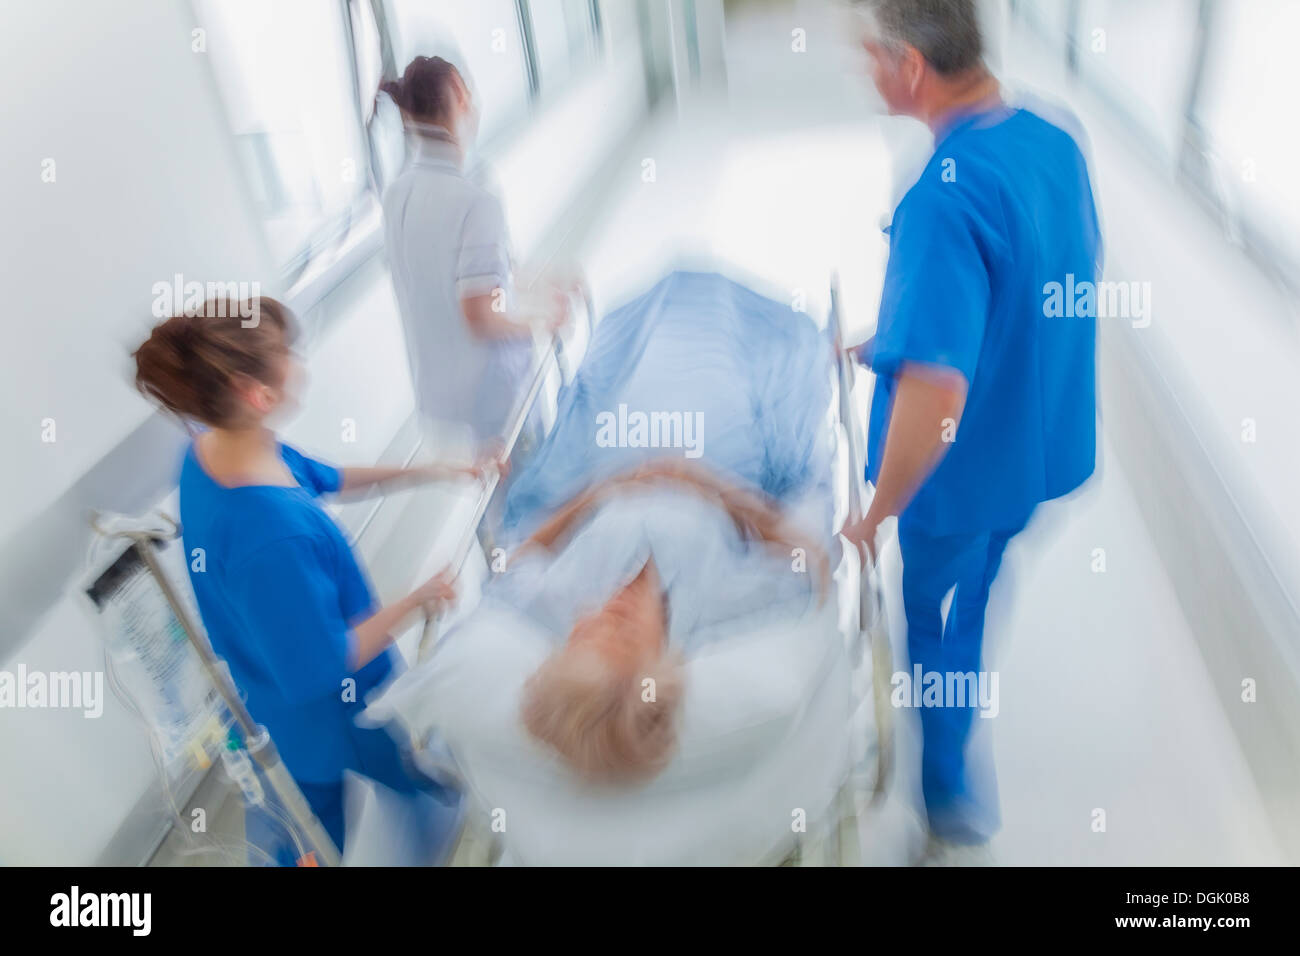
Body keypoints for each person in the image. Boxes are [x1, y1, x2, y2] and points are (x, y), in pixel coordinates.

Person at [843, 0, 1101, 862]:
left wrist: (877, 511)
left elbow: (937, 398)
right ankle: (951, 767)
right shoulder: (1052, 137)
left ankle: (949, 801)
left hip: (958, 489)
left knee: (942, 628)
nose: (865, 72)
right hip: (1036, 455)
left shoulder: (940, 200)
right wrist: (899, 334)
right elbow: (1034, 280)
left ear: (910, 66)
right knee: (981, 592)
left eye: (870, 56)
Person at [132, 296, 497, 864]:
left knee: (320, 806)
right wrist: (419, 600)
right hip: (332, 710)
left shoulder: (212, 450)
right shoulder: (271, 536)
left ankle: (419, 806)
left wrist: (431, 470)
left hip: (271, 696)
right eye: (288, 354)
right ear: (258, 393)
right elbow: (322, 665)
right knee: (324, 824)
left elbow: (325, 477)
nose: (299, 362)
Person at [512, 458, 829, 782]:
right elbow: (811, 564)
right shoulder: (715, 607)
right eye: (626, 629)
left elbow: (515, 564)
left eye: (586, 629)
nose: (610, 605)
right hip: (735, 464)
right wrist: (715, 489)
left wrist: (597, 493)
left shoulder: (556, 601)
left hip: (600, 463)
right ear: (659, 663)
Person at [378, 55, 573, 456]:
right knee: (524, 487)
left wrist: (535, 281)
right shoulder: (473, 199)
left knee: (494, 490)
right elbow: (480, 313)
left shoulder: (396, 194)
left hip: (442, 394)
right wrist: (541, 320)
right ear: (459, 93)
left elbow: (457, 279)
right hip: (493, 393)